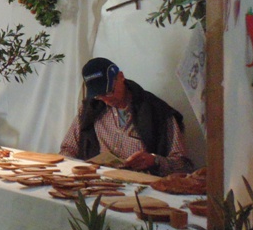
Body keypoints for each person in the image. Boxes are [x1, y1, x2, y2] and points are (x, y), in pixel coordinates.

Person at [60, 57, 193, 175]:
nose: (106, 100)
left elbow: (183, 165)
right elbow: (68, 149)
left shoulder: (157, 111)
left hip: (142, 186)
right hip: (99, 182)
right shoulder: (90, 110)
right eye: (98, 96)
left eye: (109, 92)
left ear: (121, 77)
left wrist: (154, 160)